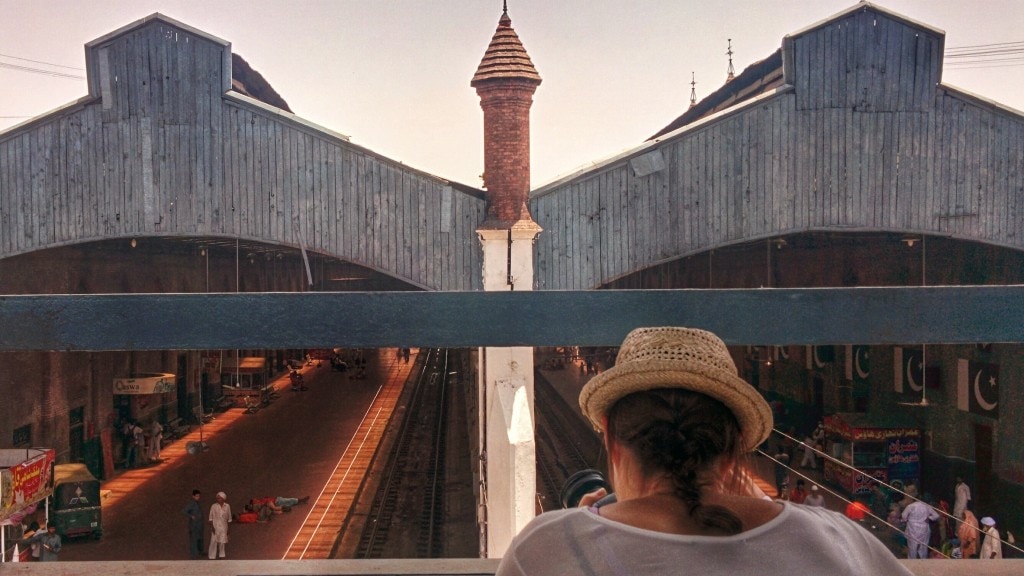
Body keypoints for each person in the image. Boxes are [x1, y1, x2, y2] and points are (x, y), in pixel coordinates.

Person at [495, 326, 913, 576]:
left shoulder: (546, 547)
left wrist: (578, 524)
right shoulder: (835, 540)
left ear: (611, 440)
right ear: (733, 449)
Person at [208, 491, 231, 559]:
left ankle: (222, 555)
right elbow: (210, 517)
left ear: (224, 499)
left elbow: (229, 518)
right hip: (215, 526)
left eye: (220, 498)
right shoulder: (214, 506)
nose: (218, 500)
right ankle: (212, 556)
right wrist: (212, 527)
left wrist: (228, 529)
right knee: (213, 541)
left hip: (224, 527)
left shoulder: (227, 506)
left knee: (222, 541)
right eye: (217, 498)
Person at [182, 489, 204, 559]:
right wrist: (191, 516)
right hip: (193, 525)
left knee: (199, 539)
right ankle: (193, 555)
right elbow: (184, 511)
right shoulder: (191, 504)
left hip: (199, 525)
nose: (198, 497)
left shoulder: (197, 503)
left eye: (199, 496)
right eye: (197, 496)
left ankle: (200, 552)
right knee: (194, 540)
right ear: (193, 496)